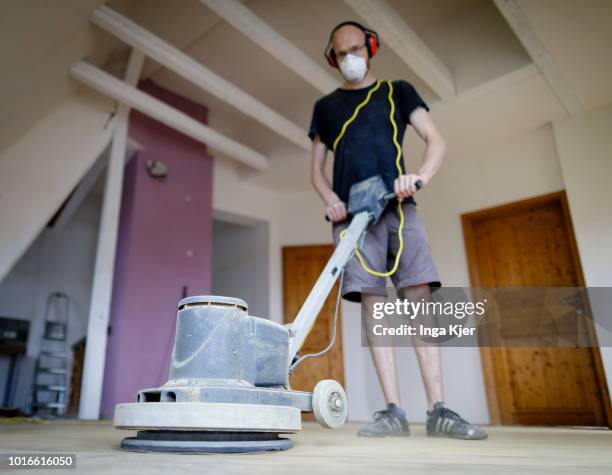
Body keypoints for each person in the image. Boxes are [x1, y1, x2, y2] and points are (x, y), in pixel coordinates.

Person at [309, 21, 487, 440]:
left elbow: (435, 140)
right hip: (353, 218)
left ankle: (439, 410)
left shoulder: (398, 91)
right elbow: (315, 171)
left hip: (400, 206)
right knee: (375, 305)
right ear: (332, 58)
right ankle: (393, 411)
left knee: (419, 298)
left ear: (370, 48)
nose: (349, 57)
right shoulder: (325, 107)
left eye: (356, 48)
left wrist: (419, 177)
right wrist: (329, 200)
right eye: (341, 52)